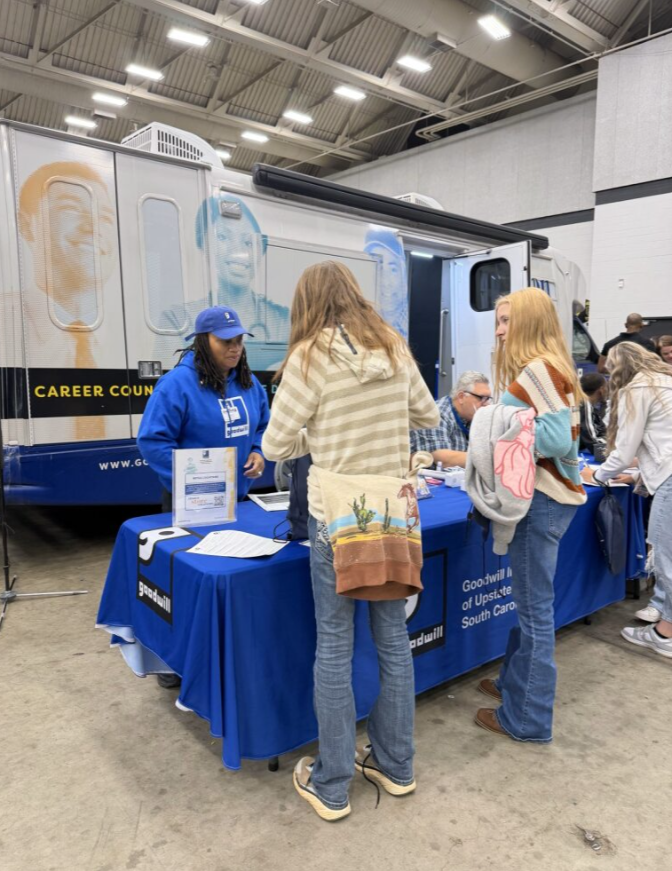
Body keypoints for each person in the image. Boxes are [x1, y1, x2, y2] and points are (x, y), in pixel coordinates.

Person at [261, 261, 439, 821]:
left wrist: (321, 430)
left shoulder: (308, 357)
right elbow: (427, 413)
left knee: (334, 648)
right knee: (393, 641)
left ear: (307, 304)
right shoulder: (393, 346)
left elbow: (274, 445)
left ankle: (333, 783)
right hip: (393, 513)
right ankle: (397, 765)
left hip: (336, 516)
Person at [474, 287, 586, 742]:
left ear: (529, 323)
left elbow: (556, 439)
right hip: (550, 500)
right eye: (497, 321)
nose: (499, 330)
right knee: (531, 606)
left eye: (506, 321)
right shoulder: (552, 367)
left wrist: (502, 437)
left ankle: (528, 719)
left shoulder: (537, 370)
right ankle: (513, 686)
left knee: (534, 611)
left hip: (539, 501)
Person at [580, 342, 672, 657]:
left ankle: (665, 634)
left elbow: (625, 450)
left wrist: (598, 476)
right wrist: (637, 476)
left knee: (666, 558)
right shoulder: (665, 380)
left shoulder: (638, 388)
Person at [16, 161, 118, 440]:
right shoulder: (6, 326)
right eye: (72, 209)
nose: (93, 227)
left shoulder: (133, 337)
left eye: (106, 218)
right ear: (27, 225)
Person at [138, 305, 269, 510]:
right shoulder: (175, 384)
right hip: (190, 502)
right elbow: (152, 441)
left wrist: (258, 450)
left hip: (237, 497)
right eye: (226, 341)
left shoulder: (249, 383)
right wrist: (195, 480)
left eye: (239, 340)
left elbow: (264, 425)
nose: (235, 348)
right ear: (203, 342)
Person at [410, 371, 492, 469]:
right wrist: (491, 459)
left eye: (488, 399)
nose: (487, 404)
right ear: (461, 397)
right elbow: (444, 460)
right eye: (482, 398)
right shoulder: (436, 415)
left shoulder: (474, 417)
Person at [579, 372, 608, 459]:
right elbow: (594, 444)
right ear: (602, 390)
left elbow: (603, 430)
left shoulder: (588, 406)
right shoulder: (584, 405)